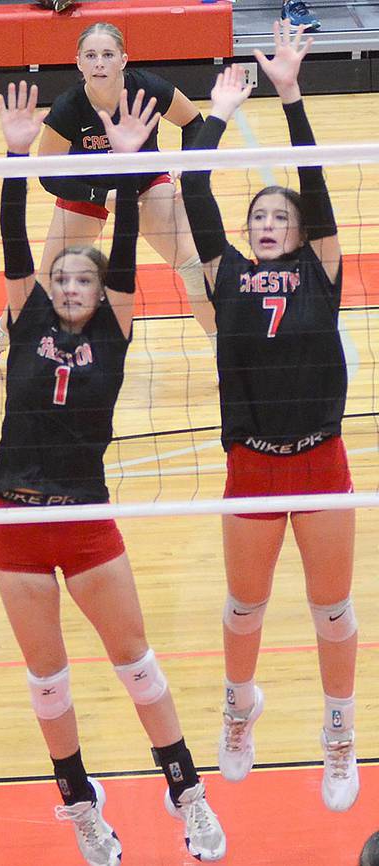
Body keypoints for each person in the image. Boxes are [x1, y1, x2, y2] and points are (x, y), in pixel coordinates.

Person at [0, 80, 226, 864]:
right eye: (63, 279)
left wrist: (129, 168)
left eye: (83, 280)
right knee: (47, 682)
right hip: (14, 521)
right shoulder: (25, 326)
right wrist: (17, 156)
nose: (69, 286)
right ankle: (81, 805)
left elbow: (126, 241)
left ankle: (185, 792)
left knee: (138, 666)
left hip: (87, 520)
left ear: (103, 292)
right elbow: (15, 235)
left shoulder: (118, 329)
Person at [180, 21, 358, 811]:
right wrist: (216, 111)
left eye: (279, 217)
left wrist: (290, 93)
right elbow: (191, 185)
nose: (267, 223)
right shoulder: (227, 277)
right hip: (252, 460)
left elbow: (314, 180)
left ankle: (339, 733)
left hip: (320, 457)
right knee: (243, 606)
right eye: (258, 217)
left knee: (332, 610)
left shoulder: (323, 270)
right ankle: (238, 708)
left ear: (300, 231)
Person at [0, 21, 216, 384]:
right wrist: (100, 197)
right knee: (47, 284)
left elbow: (194, 122)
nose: (100, 63)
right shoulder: (68, 107)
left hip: (143, 183)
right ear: (78, 62)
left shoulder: (150, 88)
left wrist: (187, 171)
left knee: (193, 268)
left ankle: (227, 353)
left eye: (108, 55)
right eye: (91, 55)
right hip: (87, 189)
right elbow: (48, 174)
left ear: (123, 60)